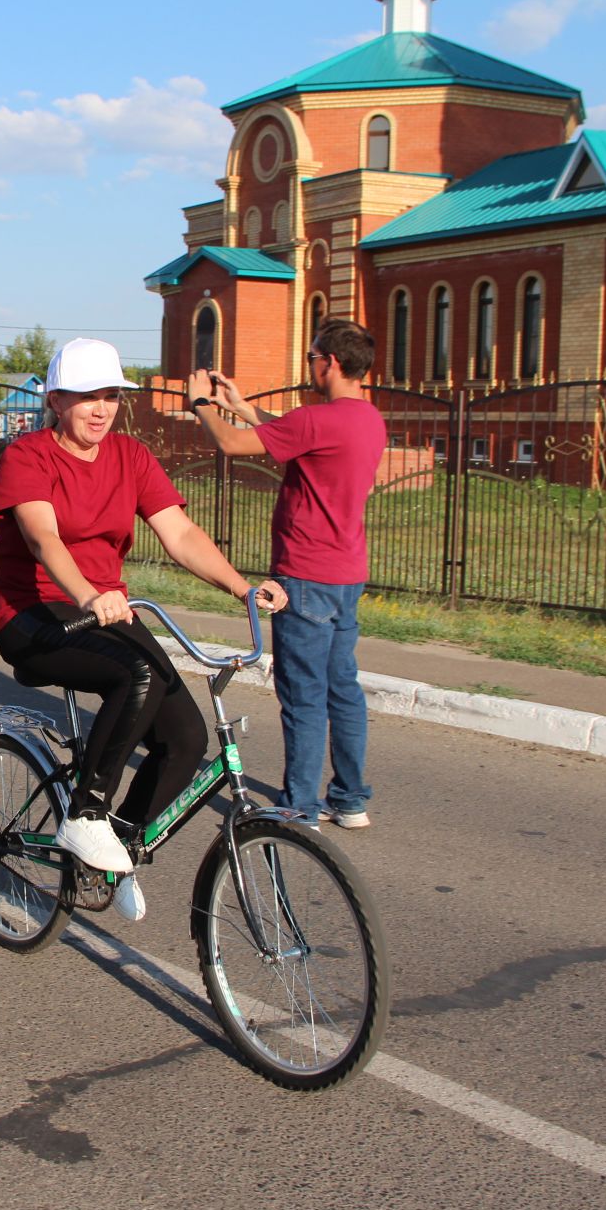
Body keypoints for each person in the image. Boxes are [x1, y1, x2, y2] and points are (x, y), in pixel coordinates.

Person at [0, 338, 286, 923]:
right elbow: (42, 538)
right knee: (138, 673)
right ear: (55, 400)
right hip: (35, 615)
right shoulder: (28, 457)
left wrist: (242, 587)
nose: (100, 409)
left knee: (187, 740)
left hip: (107, 612)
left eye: (110, 396)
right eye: (85, 397)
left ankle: (113, 850)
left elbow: (179, 534)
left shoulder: (131, 456)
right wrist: (88, 595)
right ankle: (84, 818)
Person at [186, 318, 387, 830]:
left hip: (304, 577)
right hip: (346, 578)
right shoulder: (366, 419)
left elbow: (231, 446)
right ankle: (350, 799)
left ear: (332, 363)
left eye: (313, 356)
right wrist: (244, 406)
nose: (310, 365)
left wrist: (204, 406)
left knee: (302, 696)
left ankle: (300, 808)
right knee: (342, 688)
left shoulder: (319, 420)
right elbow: (301, 436)